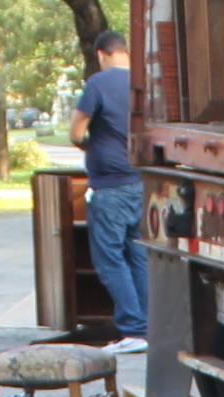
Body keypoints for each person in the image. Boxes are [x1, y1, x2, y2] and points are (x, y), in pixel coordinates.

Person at [70, 27, 147, 354]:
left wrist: (88, 145)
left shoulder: (98, 84)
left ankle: (133, 329)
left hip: (110, 186)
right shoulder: (143, 84)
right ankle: (148, 327)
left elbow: (76, 131)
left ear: (102, 55)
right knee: (139, 255)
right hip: (140, 182)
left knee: (110, 259)